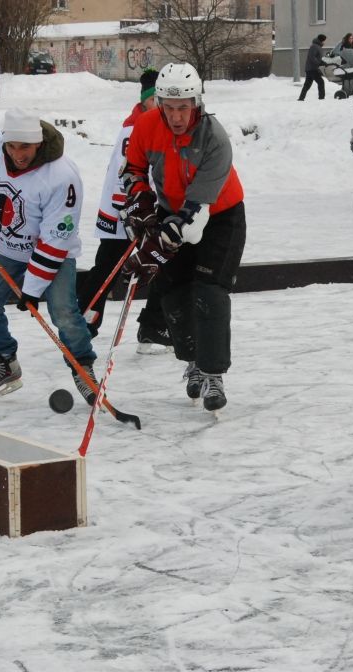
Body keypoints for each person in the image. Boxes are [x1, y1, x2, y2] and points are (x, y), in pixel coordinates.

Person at [120, 63, 246, 413]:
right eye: (169, 107)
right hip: (169, 209)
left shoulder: (214, 138)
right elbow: (131, 170)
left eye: (183, 108)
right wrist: (142, 204)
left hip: (219, 216)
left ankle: (214, 372)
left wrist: (150, 253)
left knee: (209, 292)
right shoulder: (146, 125)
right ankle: (193, 361)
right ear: (159, 103)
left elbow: (192, 222)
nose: (176, 116)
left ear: (197, 103)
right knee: (173, 294)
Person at [0, 109, 97, 404]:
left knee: (63, 312)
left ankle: (83, 366)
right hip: (5, 248)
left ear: (39, 143)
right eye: (12, 146)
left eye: (25, 147)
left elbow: (55, 240)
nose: (17, 154)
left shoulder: (62, 176)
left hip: (53, 252)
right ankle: (4, 362)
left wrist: (31, 290)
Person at [78, 68, 171, 353]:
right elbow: (131, 173)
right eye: (156, 99)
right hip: (125, 209)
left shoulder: (151, 123)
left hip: (142, 209)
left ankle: (153, 326)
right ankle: (84, 325)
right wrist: (137, 209)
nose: (161, 105)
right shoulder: (137, 127)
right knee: (107, 267)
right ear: (146, 101)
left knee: (164, 265)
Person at [298, 34, 328, 101]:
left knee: (307, 84)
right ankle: (321, 98)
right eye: (324, 40)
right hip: (312, 68)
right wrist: (319, 63)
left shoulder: (317, 46)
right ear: (321, 40)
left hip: (311, 68)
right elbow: (312, 57)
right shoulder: (314, 47)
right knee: (321, 82)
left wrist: (322, 62)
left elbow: (317, 58)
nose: (324, 42)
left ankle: (301, 98)